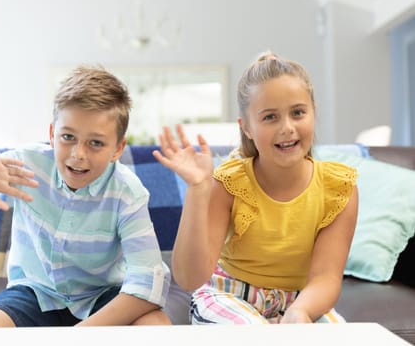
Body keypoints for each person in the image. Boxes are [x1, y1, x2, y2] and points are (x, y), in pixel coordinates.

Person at [0, 66, 171, 327]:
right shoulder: (25, 163)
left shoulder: (127, 192)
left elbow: (147, 283)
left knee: (155, 323)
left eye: (95, 143)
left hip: (103, 296)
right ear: (52, 134)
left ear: (118, 148)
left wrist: (79, 334)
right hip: (35, 292)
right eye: (68, 137)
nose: (78, 154)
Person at [152, 51, 358, 324]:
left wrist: (300, 312)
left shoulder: (338, 188)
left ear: (313, 113)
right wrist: (198, 189)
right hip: (230, 295)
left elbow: (325, 278)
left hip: (302, 300)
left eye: (297, 112)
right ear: (247, 127)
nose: (287, 128)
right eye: (270, 117)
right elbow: (189, 278)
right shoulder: (230, 182)